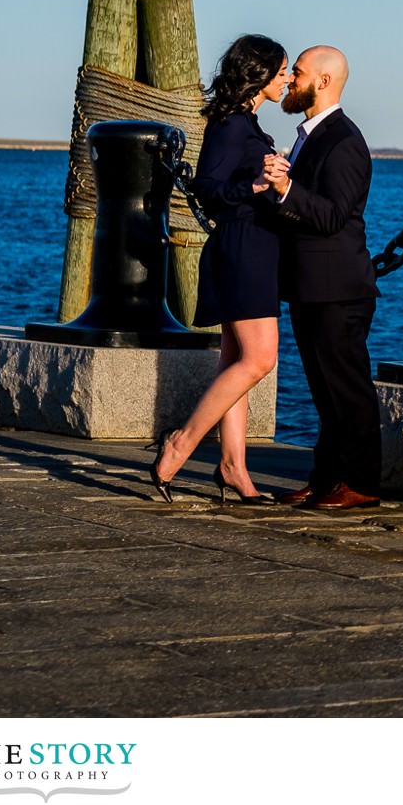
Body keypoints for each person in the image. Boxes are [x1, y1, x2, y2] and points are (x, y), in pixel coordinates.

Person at [148, 34, 290, 505]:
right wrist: (252, 185)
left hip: (254, 248)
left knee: (236, 362)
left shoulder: (246, 124)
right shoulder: (232, 126)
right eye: (282, 70)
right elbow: (208, 188)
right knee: (259, 359)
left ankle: (233, 468)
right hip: (241, 249)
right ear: (261, 74)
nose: (287, 78)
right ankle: (182, 442)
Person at [260, 45, 385, 511]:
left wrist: (285, 189)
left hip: (338, 290)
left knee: (347, 389)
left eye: (298, 72)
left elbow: (334, 216)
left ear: (324, 82)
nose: (290, 79)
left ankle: (363, 484)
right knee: (323, 389)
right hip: (312, 286)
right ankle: (327, 478)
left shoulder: (344, 141)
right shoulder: (310, 136)